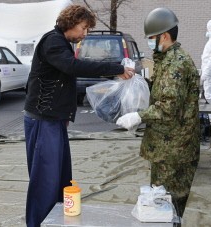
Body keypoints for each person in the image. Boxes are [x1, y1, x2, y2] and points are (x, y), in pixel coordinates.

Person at [23, 5, 134, 227]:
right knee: (45, 180)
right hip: (43, 119)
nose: (85, 34)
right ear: (71, 22)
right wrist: (115, 67)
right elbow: (72, 66)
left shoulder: (61, 42)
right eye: (84, 28)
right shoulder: (53, 42)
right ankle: (37, 223)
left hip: (54, 120)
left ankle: (53, 220)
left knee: (61, 178)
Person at [116, 7, 200, 218]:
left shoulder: (177, 64)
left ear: (164, 36)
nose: (150, 42)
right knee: (161, 200)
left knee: (168, 203)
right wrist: (134, 77)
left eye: (152, 38)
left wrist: (138, 116)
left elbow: (168, 106)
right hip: (165, 146)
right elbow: (156, 85)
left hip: (174, 149)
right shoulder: (165, 59)